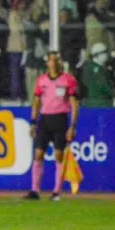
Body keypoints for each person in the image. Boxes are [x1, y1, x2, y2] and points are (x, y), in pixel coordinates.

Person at [26, 51, 79, 201]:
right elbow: (36, 102)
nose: (54, 63)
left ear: (60, 62)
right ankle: (35, 190)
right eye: (51, 60)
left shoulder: (68, 80)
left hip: (60, 120)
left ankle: (56, 191)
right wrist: (33, 121)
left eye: (56, 60)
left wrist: (73, 125)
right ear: (47, 63)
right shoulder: (41, 80)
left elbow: (74, 104)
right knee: (38, 154)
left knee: (59, 155)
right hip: (45, 120)